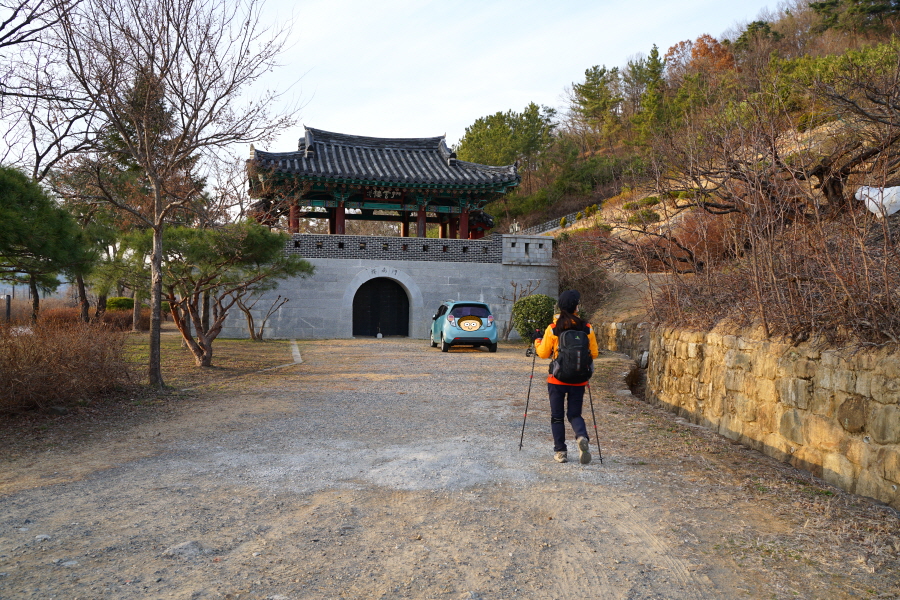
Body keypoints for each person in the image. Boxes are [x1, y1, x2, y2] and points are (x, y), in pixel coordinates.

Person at [534, 290, 599, 464]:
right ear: (576, 307)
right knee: (574, 414)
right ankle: (581, 436)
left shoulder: (554, 328)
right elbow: (594, 353)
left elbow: (543, 353)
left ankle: (560, 452)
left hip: (557, 379)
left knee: (557, 416)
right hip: (579, 379)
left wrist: (537, 341)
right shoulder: (586, 327)